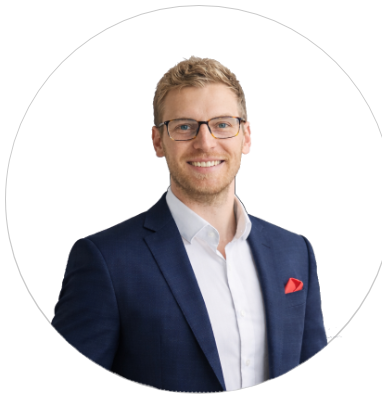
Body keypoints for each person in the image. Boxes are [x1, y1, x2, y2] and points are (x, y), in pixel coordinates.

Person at [52, 57, 327, 392]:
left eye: (222, 124)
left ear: (246, 136)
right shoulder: (106, 261)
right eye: (184, 126)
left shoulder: (295, 252)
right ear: (158, 141)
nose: (206, 142)